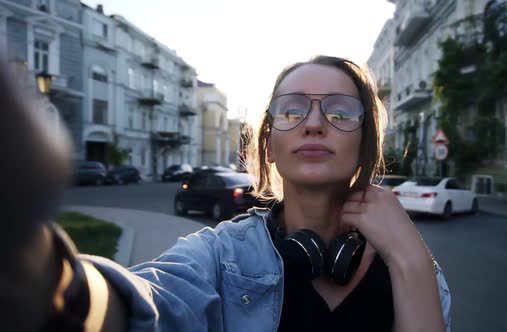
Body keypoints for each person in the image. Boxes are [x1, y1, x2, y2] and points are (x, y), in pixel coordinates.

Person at [1, 55, 450, 331]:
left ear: (365, 143)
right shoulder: (218, 256)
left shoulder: (407, 261)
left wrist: (411, 261)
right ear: (270, 144)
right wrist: (41, 275)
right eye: (291, 110)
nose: (314, 123)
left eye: (340, 111)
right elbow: (150, 307)